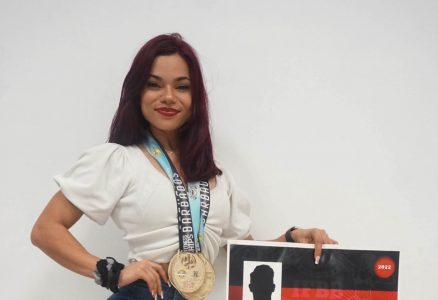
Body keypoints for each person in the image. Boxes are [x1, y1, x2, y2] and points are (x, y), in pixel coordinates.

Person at [31, 33, 338, 300]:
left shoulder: (215, 178)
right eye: (154, 85)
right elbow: (45, 230)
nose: (168, 97)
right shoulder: (119, 160)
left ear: (196, 98)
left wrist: (292, 236)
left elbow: (243, 253)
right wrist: (113, 273)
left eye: (181, 87)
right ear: (138, 93)